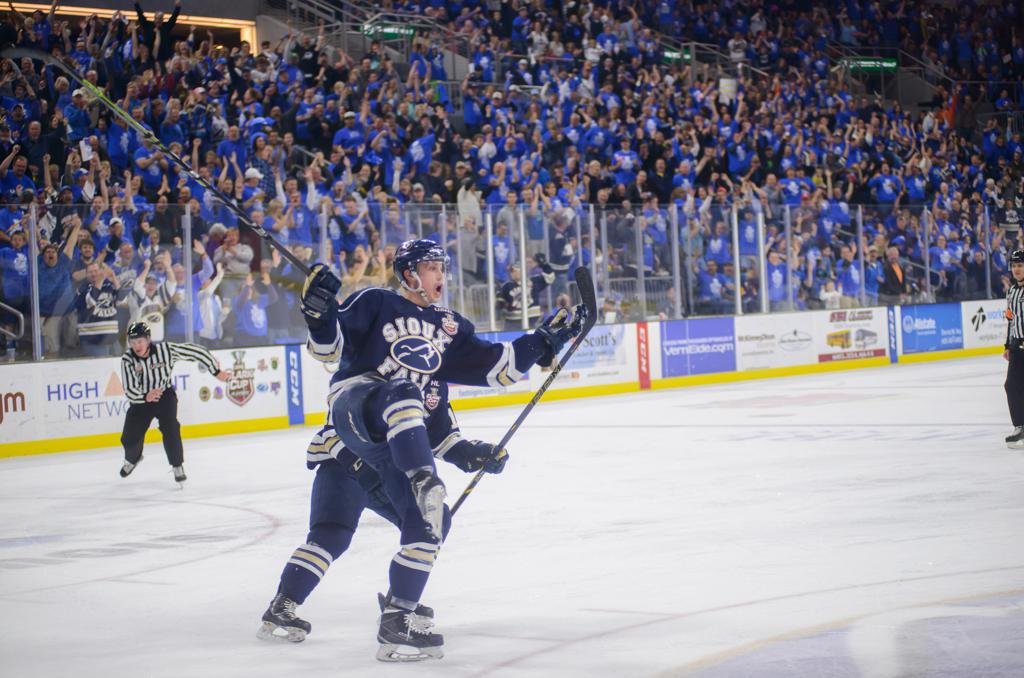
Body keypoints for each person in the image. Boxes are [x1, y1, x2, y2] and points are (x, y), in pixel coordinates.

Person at [275, 238, 586, 661]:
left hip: (391, 453)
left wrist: (544, 340)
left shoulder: (447, 329)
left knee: (410, 523)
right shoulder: (376, 303)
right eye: (431, 267)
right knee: (402, 392)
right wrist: (318, 309)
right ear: (409, 274)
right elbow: (328, 349)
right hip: (353, 428)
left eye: (442, 267)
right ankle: (422, 479)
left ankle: (385, 619)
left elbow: (497, 369)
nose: (441, 275)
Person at [118, 321, 230, 483]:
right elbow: (129, 389)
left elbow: (196, 351)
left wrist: (216, 371)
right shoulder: (127, 359)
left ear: (148, 340)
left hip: (164, 396)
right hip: (141, 400)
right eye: (133, 342)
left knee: (171, 427)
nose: (136, 346)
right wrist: (145, 396)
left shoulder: (166, 350)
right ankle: (133, 458)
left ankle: (177, 465)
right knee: (128, 439)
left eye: (140, 341)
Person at [1003, 250, 1024, 449]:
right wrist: (1007, 345)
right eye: (1014, 265)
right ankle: (1020, 426)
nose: (1017, 269)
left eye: (1020, 265)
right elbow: (1010, 319)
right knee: (1011, 385)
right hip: (1017, 345)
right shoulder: (1011, 291)